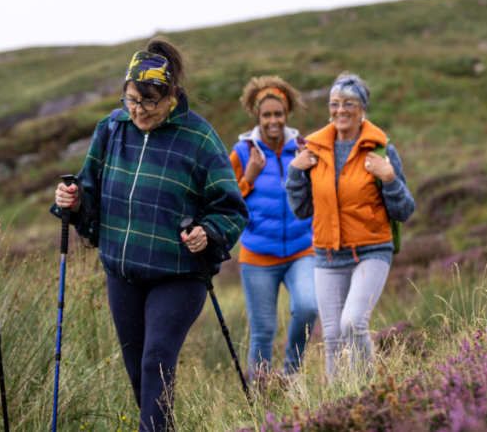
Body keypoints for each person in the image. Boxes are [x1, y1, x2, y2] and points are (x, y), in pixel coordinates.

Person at [52, 38, 248, 432]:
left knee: (156, 358)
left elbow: (231, 208)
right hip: (122, 272)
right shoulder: (111, 128)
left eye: (149, 102)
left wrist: (207, 232)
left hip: (179, 274)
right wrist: (71, 200)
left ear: (171, 95)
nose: (138, 110)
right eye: (131, 99)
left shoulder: (199, 138)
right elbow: (87, 190)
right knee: (139, 373)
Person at [284, 72, 415, 379]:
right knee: (332, 338)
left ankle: (369, 392)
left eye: (349, 103)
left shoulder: (382, 150)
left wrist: (389, 178)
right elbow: (302, 210)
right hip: (328, 255)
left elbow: (404, 210)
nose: (340, 109)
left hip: (372, 251)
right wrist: (294, 172)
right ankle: (339, 400)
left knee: (353, 323)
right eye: (334, 103)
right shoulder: (313, 150)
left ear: (363, 109)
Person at [229, 76, 317, 380]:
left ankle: (291, 375)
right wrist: (248, 178)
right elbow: (225, 201)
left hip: (302, 250)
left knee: (308, 308)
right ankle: (260, 398)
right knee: (263, 331)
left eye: (278, 114)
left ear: (287, 113)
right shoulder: (243, 152)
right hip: (257, 256)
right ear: (257, 115)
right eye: (266, 114)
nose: (273, 120)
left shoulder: (304, 148)